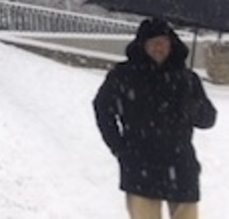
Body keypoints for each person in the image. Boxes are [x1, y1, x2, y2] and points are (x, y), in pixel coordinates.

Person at [93, 17, 217, 219]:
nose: (159, 47)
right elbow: (102, 109)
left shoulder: (187, 79)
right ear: (142, 45)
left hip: (181, 163)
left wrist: (193, 107)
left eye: (163, 42)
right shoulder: (124, 75)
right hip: (140, 163)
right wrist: (119, 147)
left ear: (171, 44)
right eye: (153, 42)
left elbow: (208, 119)